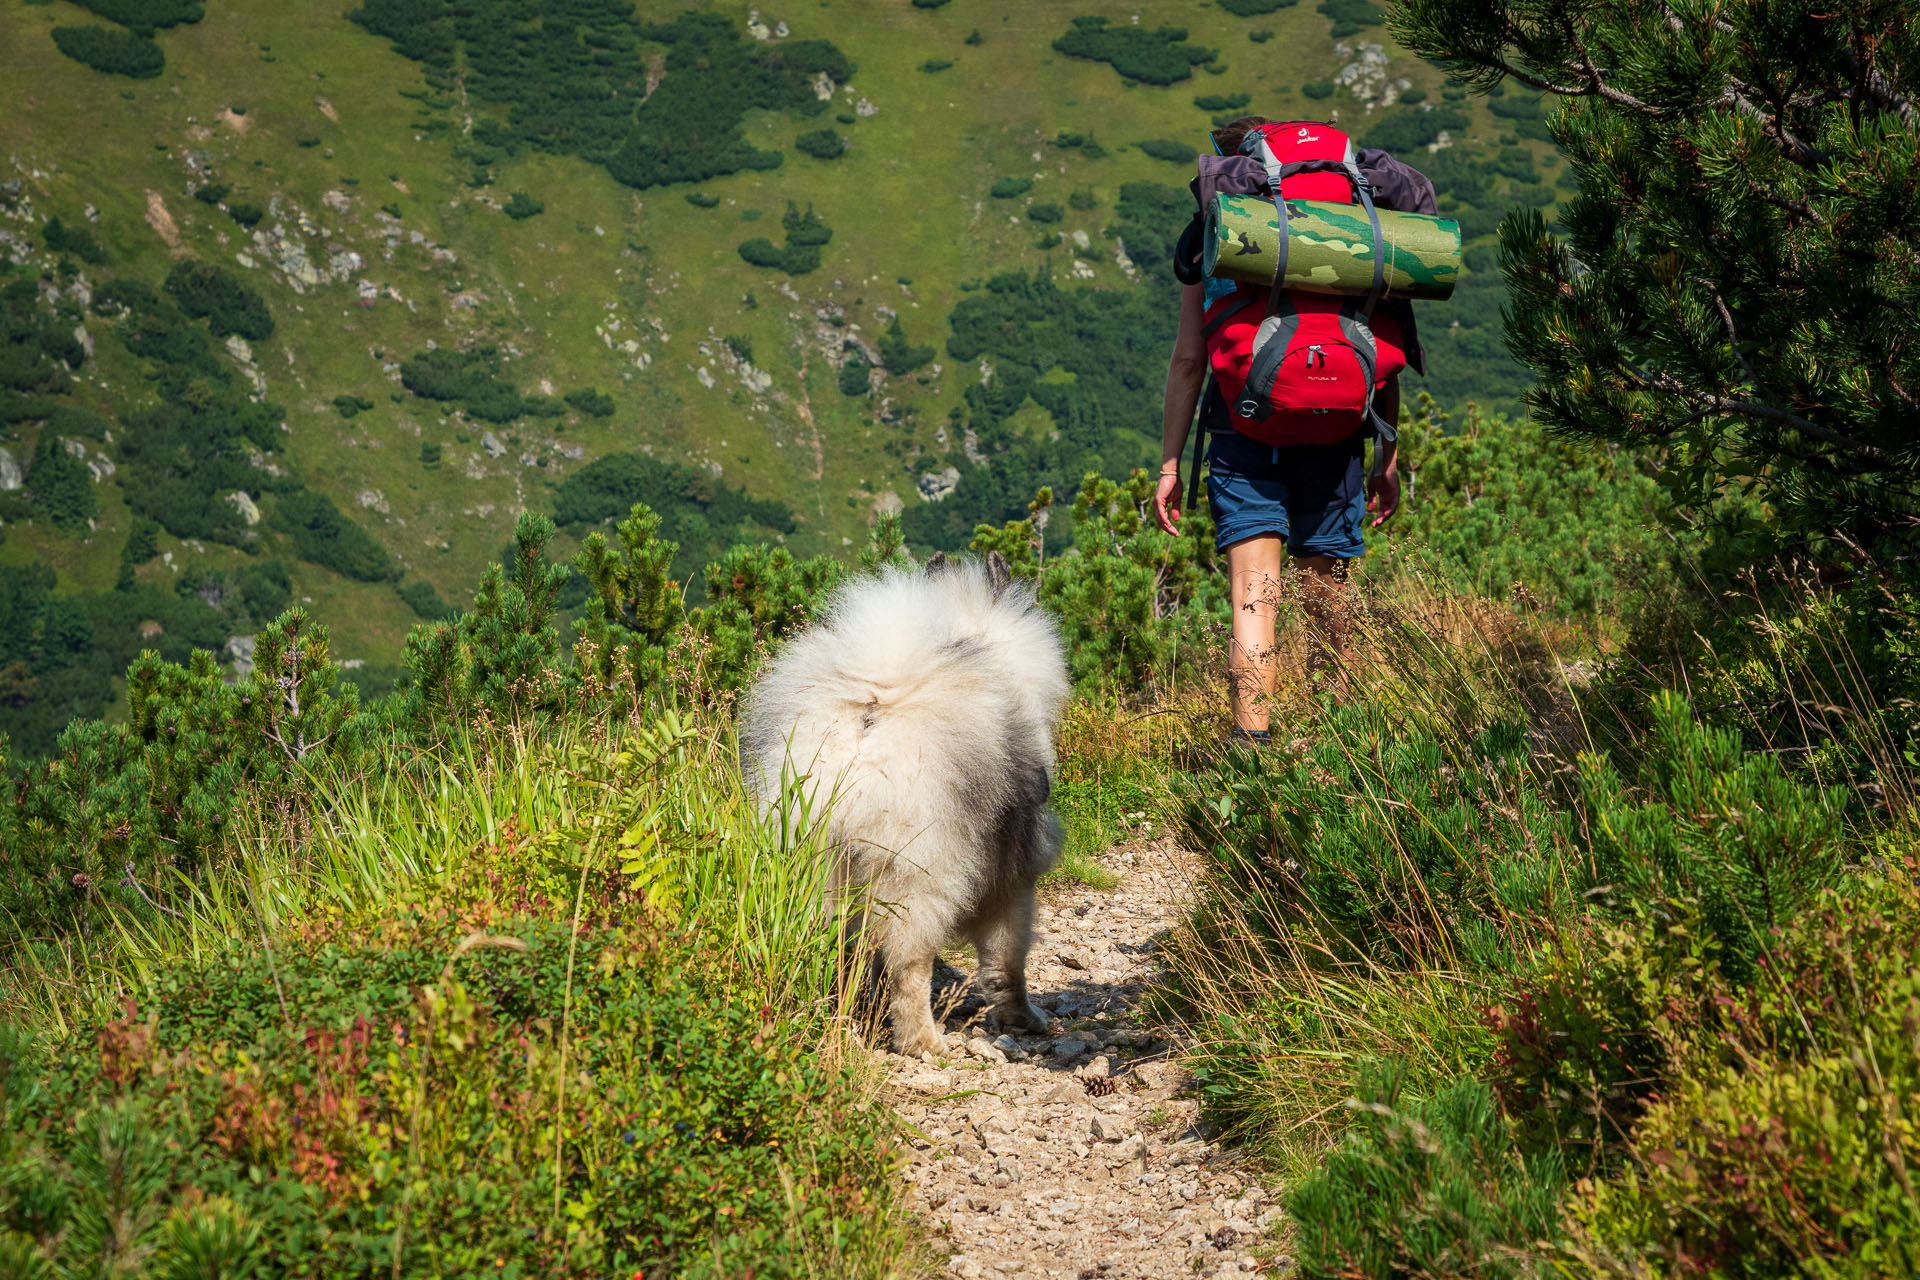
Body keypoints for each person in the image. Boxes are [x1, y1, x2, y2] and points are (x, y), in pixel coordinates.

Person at [1153, 116, 1420, 742]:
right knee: (1333, 607)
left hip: (1245, 433)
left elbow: (1190, 360)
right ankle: (1344, 755)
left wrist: (1170, 465)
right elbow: (1386, 347)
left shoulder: (1223, 234)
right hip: (1338, 432)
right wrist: (1386, 456)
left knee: (1255, 601)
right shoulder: (1350, 226)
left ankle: (1252, 755)